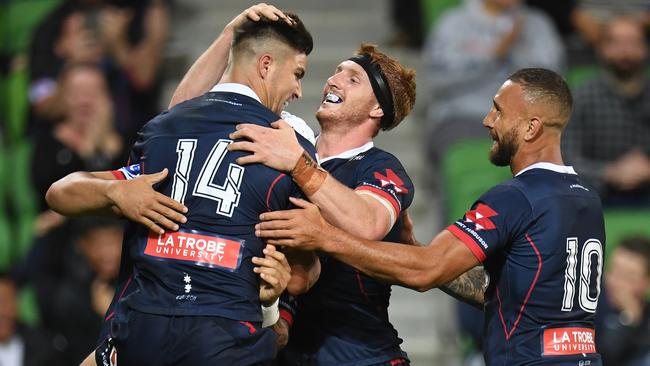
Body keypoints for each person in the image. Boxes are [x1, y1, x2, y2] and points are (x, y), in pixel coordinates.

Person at [255, 68, 606, 365]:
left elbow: (425, 270)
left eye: (499, 112)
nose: (487, 121)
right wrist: (416, 248)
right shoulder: (587, 201)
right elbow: (507, 290)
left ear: (531, 128)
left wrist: (325, 237)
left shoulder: (514, 198)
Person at [46, 9, 317, 365]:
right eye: (297, 74)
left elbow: (59, 193)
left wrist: (114, 191)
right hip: (226, 334)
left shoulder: (164, 129)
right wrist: (273, 308)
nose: (298, 90)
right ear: (266, 65)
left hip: (145, 323)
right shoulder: (291, 141)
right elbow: (302, 272)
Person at [167, 5, 418, 364]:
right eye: (336, 72)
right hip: (284, 349)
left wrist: (298, 166)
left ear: (377, 109)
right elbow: (183, 115)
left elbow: (368, 223)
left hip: (359, 354)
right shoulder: (287, 137)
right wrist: (229, 37)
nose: (332, 80)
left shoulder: (381, 167)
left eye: (352, 79)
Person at [562, 17, 650, 207]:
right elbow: (565, 159)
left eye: (633, 43)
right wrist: (610, 172)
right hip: (593, 198)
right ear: (600, 49)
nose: (625, 51)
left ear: (645, 49)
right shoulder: (580, 97)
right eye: (616, 43)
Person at [596, 236, 650, 366]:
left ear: (647, 282)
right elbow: (603, 358)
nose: (615, 282)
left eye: (627, 277)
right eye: (612, 271)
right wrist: (628, 319)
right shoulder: (589, 308)